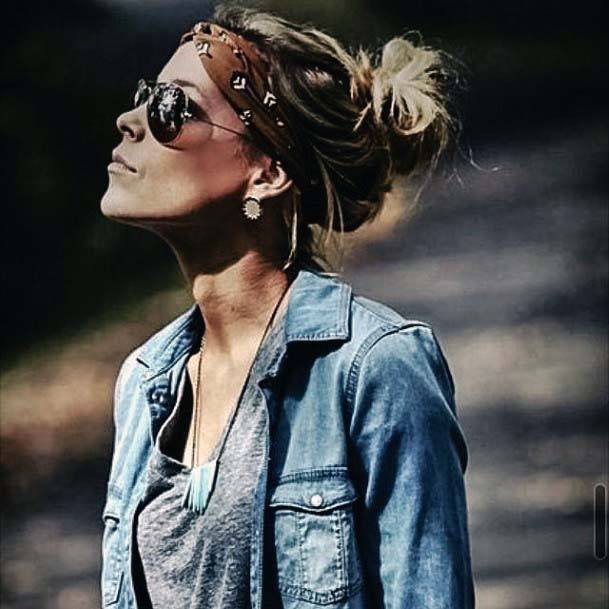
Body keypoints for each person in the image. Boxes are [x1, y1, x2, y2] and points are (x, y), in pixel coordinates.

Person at [99, 4, 474, 608]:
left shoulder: (373, 371)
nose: (130, 120)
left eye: (175, 109)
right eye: (146, 96)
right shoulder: (144, 383)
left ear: (267, 173)